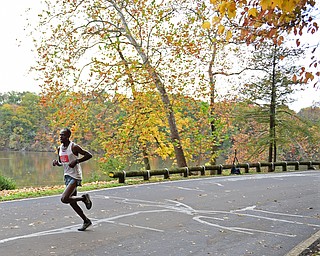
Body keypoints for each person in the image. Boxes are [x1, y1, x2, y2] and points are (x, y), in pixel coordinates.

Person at [52, 128, 93, 231]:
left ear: (68, 136)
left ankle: (84, 198)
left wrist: (77, 161)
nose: (61, 137)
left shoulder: (74, 147)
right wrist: (57, 163)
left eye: (63, 135)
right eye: (60, 135)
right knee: (72, 202)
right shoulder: (59, 148)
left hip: (75, 176)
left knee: (64, 198)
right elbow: (63, 162)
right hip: (67, 176)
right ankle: (86, 221)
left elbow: (89, 155)